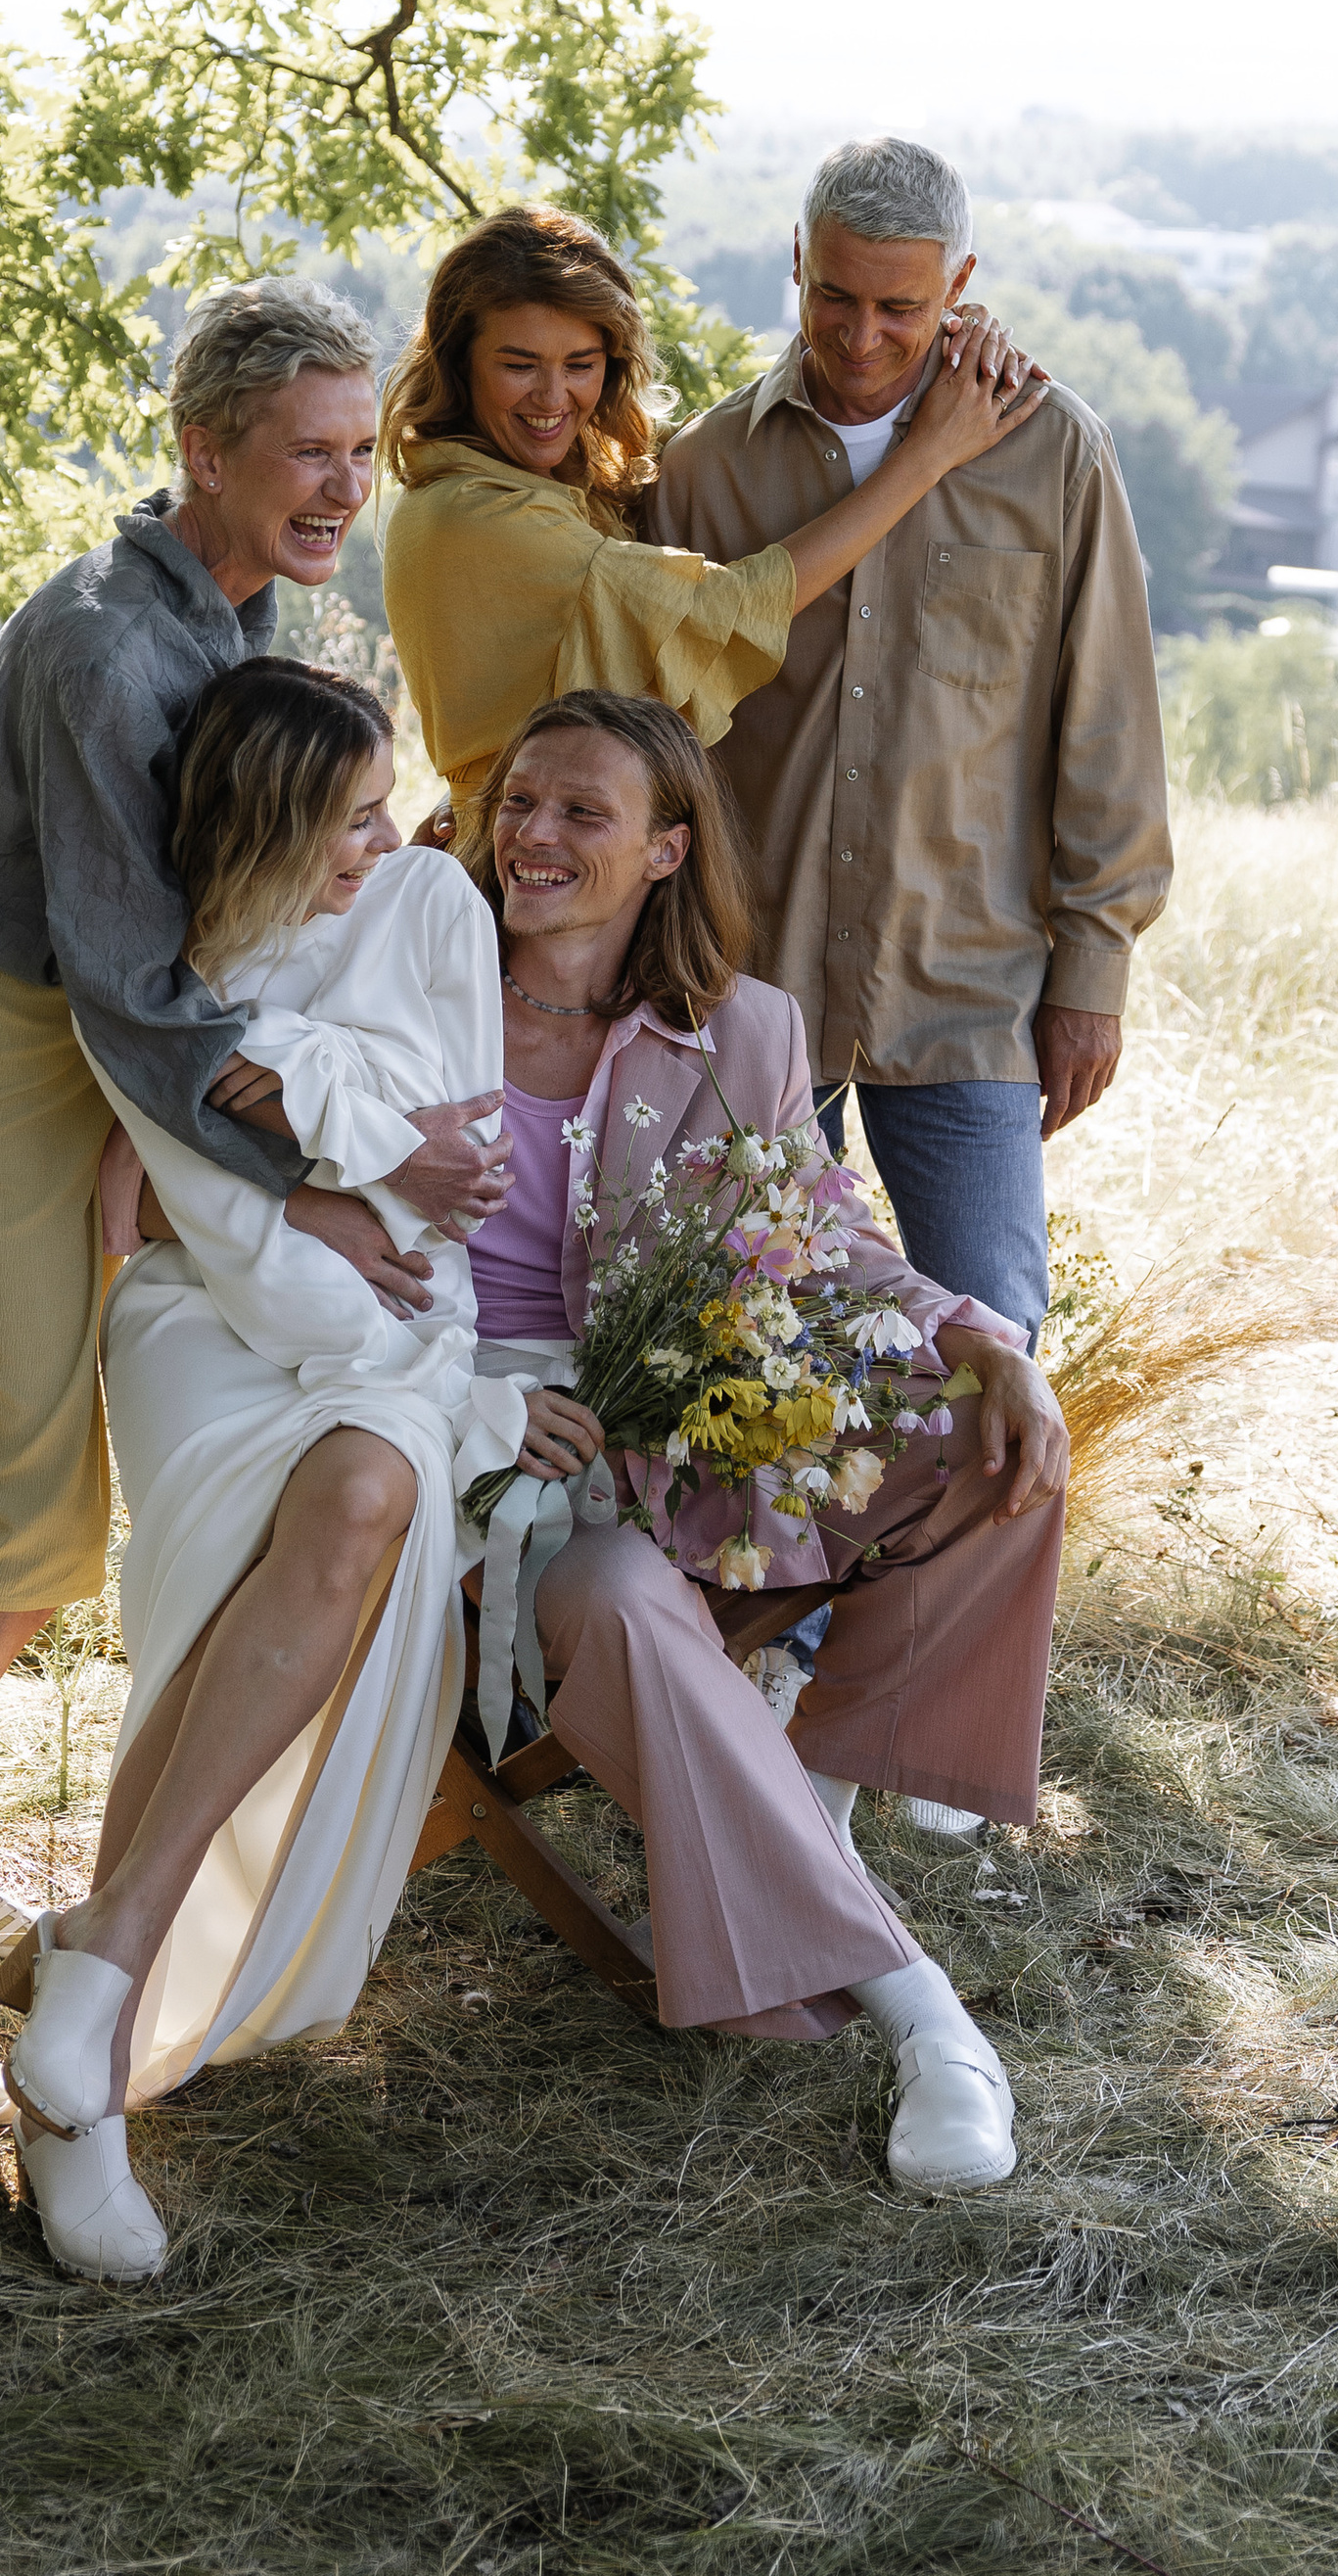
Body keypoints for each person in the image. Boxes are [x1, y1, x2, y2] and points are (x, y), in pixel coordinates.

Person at [0, 283, 507, 2087]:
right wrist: (319, 1181)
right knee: (22, 1538)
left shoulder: (241, 606)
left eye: (353, 452)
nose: (339, 488)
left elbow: (218, 939)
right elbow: (139, 993)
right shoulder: (108, 653)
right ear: (203, 450)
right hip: (12, 1066)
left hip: (109, 1077)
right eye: (304, 453)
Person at [0, 659, 523, 2282]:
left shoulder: (430, 906)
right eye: (343, 820)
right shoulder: (162, 957)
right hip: (210, 1311)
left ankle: (100, 1963)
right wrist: (319, 1164)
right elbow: (203, 1204)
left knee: (363, 1492)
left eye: (379, 805)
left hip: (392, 1322)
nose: (379, 840)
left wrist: (284, 1120)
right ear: (263, 819)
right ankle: (81, 2101)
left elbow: (449, 1158)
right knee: (206, 1624)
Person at [463, 689, 1072, 2194]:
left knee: (988, 1443)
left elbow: (824, 1241)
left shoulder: (742, 1029)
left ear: (667, 852)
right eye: (519, 803)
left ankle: (806, 1799)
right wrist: (461, 1406)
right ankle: (925, 2013)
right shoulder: (416, 986)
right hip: (475, 1448)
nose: (533, 835)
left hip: (683, 1428)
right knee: (614, 1599)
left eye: (581, 814)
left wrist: (985, 1338)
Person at [648, 131, 1173, 1329]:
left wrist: (1094, 970)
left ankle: (968, 1528)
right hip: (752, 983)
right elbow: (658, 743)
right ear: (793, 263)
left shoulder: (1052, 452)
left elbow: (1108, 725)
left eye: (902, 306)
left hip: (967, 986)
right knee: (747, 1338)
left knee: (993, 1331)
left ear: (961, 286)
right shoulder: (705, 470)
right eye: (834, 295)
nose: (863, 335)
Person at [377, 204, 1039, 824]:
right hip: (518, 879)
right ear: (460, 363)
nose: (554, 396)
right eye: (519, 365)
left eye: (581, 365)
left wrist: (940, 325)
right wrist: (926, 457)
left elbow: (711, 454)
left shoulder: (553, 481)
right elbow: (727, 610)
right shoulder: (468, 513)